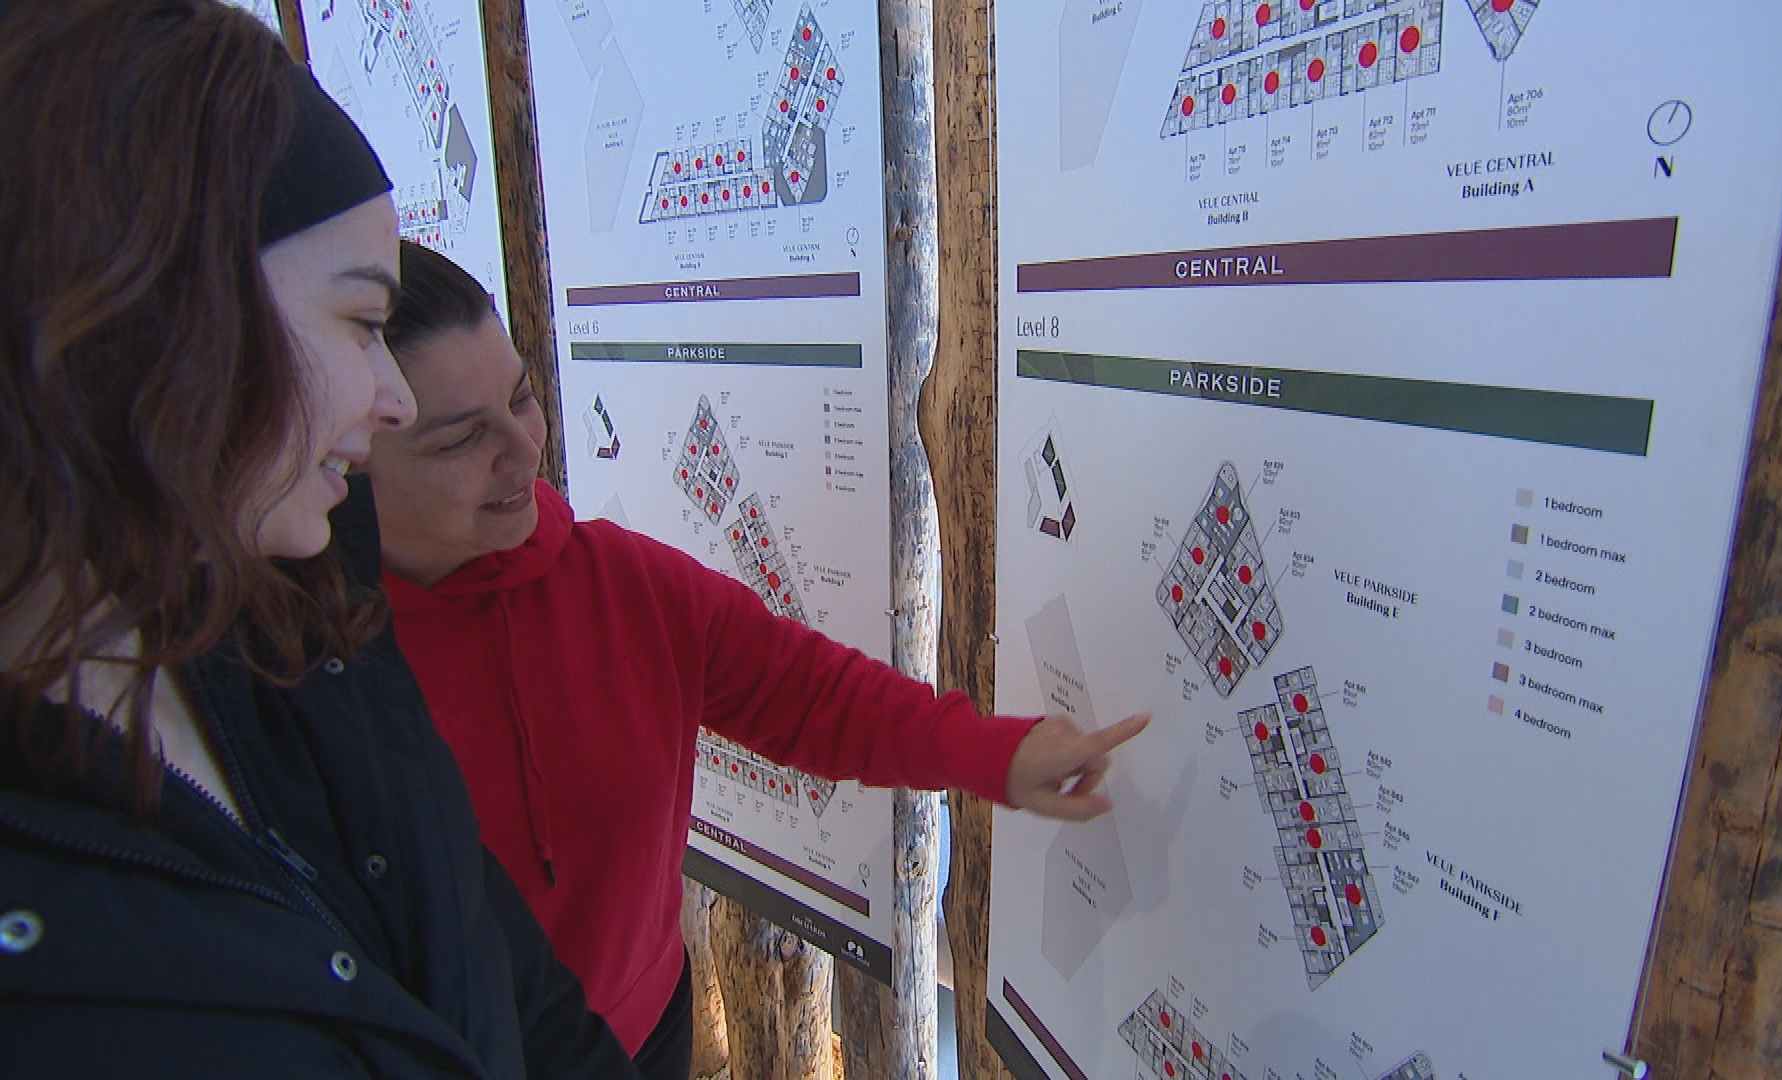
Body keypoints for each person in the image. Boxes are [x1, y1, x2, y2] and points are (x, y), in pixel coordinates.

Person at [0, 3, 634, 1075]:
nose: (392, 398)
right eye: (360, 323)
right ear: (154, 315)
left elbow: (495, 965)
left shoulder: (301, 610)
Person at [362, 241, 1150, 1078]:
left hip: (644, 1039)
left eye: (521, 398)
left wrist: (996, 753)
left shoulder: (621, 584)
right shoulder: (310, 681)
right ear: (343, 453)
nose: (522, 450)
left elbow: (807, 694)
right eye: (460, 439)